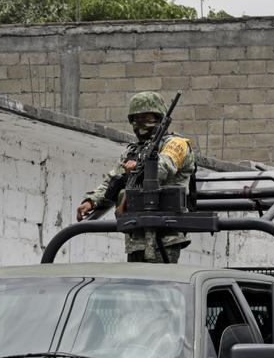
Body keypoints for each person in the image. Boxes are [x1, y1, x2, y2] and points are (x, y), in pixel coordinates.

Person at [74, 91, 196, 262]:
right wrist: (91, 201)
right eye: (136, 119)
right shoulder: (133, 150)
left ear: (159, 118)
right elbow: (112, 180)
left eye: (146, 118)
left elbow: (163, 168)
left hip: (166, 234)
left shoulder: (177, 144)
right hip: (136, 234)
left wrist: (139, 167)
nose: (141, 124)